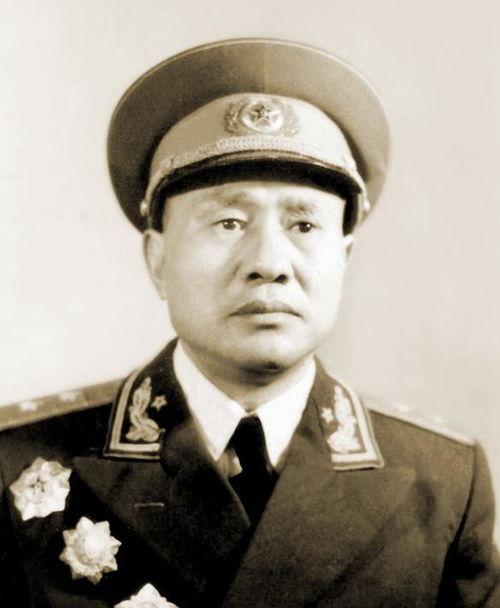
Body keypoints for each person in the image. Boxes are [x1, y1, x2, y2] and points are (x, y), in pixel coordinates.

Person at [0, 39, 498, 608]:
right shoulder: (15, 461)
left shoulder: (443, 481)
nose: (268, 263)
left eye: (304, 226)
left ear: (344, 259)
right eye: (229, 222)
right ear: (157, 260)